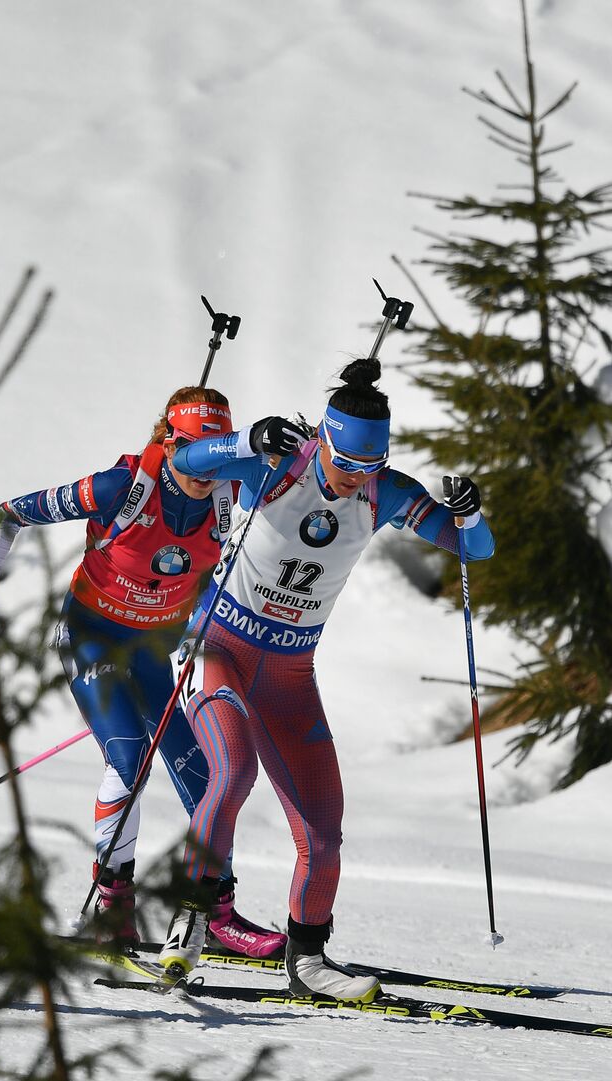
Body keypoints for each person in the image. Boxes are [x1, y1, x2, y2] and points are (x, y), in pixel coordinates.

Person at [157, 358, 495, 1000]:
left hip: (290, 671)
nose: (355, 481)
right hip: (218, 647)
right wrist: (245, 439)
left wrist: (471, 515)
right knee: (232, 775)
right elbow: (186, 464)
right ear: (323, 441)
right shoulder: (277, 464)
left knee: (322, 827)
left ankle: (308, 960)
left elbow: (473, 551)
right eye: (346, 465)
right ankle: (189, 922)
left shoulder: (384, 491)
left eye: (371, 468)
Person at [0, 386, 286, 959]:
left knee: (208, 774)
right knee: (129, 757)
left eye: (220, 452)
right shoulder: (122, 488)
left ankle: (216, 913)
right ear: (171, 442)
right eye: (198, 451)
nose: (210, 469)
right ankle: (115, 905)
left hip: (155, 650)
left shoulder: (231, 493)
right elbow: (10, 515)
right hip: (93, 639)